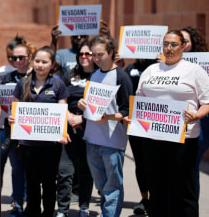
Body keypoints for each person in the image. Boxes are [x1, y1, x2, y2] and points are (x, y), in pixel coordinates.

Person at [134, 30, 209, 217]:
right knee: (158, 188)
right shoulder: (151, 70)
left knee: (183, 190)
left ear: (182, 47)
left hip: (183, 140)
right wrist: (135, 118)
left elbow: (208, 102)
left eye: (174, 44)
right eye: (166, 44)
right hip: (152, 138)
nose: (169, 49)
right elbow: (140, 101)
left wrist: (196, 115)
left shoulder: (194, 71)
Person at [8, 46, 69, 217]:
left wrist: (63, 133)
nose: (40, 65)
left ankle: (48, 212)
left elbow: (62, 112)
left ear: (52, 64)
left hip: (50, 145)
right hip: (28, 144)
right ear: (33, 62)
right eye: (37, 61)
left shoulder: (58, 84)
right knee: (32, 181)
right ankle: (32, 211)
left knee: (49, 182)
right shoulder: (23, 83)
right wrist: (13, 119)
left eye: (45, 62)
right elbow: (15, 110)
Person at [77, 35, 131, 217]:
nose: (96, 59)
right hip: (92, 139)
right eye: (94, 55)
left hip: (112, 142)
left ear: (111, 52)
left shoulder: (121, 77)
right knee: (101, 185)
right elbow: (91, 101)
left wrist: (108, 116)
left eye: (100, 54)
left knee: (112, 187)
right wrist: (82, 104)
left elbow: (127, 111)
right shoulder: (95, 74)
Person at [180, 26, 209, 195]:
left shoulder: (206, 65)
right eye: (179, 42)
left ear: (193, 43)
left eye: (186, 41)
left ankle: (189, 206)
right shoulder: (167, 64)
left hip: (202, 121)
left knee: (191, 165)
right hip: (177, 119)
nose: (182, 45)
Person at [0, 41, 34, 215]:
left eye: (21, 57)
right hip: (3, 129)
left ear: (29, 58)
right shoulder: (2, 77)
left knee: (18, 169)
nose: (17, 60)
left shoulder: (36, 78)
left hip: (24, 131)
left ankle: (18, 202)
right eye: (13, 57)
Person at [56, 42, 94, 217]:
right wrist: (70, 116)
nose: (84, 57)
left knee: (86, 171)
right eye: (81, 54)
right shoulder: (71, 75)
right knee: (65, 171)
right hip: (69, 128)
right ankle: (62, 210)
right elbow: (61, 96)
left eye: (88, 54)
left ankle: (84, 207)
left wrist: (82, 119)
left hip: (90, 130)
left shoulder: (99, 76)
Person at [124, 58, 158, 215]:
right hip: (137, 122)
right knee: (141, 162)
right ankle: (145, 199)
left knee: (156, 163)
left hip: (157, 122)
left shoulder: (160, 68)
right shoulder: (131, 68)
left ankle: (157, 199)